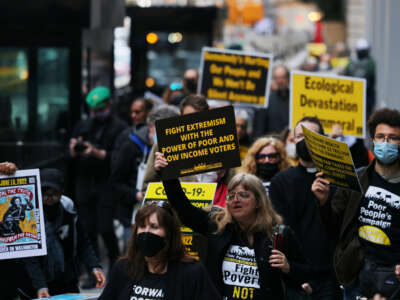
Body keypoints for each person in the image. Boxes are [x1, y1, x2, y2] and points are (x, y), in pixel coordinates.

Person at [156, 153, 313, 299]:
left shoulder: (280, 234)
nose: (235, 200)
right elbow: (182, 207)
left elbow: (305, 275)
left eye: (244, 195)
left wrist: (287, 267)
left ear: (259, 202)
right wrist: (167, 174)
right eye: (231, 196)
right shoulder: (216, 226)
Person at [312, 108, 400, 299]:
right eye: (380, 136)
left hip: (394, 276)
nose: (386, 142)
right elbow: (334, 226)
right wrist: (324, 201)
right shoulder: (356, 178)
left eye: (393, 138)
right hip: (357, 272)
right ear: (373, 140)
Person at [269, 116, 342, 299]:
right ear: (293, 141)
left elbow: (339, 230)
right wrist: (294, 274)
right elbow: (280, 230)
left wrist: (324, 202)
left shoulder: (337, 180)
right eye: (300, 135)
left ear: (322, 140)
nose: (305, 140)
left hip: (328, 278)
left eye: (311, 135)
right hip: (292, 275)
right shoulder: (281, 181)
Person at [98, 201, 221, 300]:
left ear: (169, 235)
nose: (146, 232)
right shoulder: (123, 268)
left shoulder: (192, 273)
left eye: (154, 227)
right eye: (142, 226)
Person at [69, 86, 127, 287]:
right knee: (87, 230)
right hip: (85, 183)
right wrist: (74, 149)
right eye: (93, 110)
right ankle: (93, 273)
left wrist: (95, 152)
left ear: (109, 105)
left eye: (99, 109)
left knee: (105, 228)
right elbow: (70, 151)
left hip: (105, 185)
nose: (96, 114)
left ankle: (114, 265)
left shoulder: (119, 127)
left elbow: (118, 158)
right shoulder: (83, 125)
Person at [24, 168, 106, 298]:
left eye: (54, 194)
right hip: (38, 282)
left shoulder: (69, 209)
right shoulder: (29, 215)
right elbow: (29, 256)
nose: (49, 199)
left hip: (67, 279)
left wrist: (94, 267)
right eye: (44, 194)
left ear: (62, 192)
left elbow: (82, 242)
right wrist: (40, 286)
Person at [253, 65, 290, 138]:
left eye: (283, 77)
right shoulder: (267, 100)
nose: (280, 81)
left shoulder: (294, 99)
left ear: (288, 78)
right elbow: (259, 128)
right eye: (277, 78)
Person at [344, 38, 376, 117]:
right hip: (352, 95)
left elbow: (372, 81)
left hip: (367, 95)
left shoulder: (371, 63)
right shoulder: (351, 63)